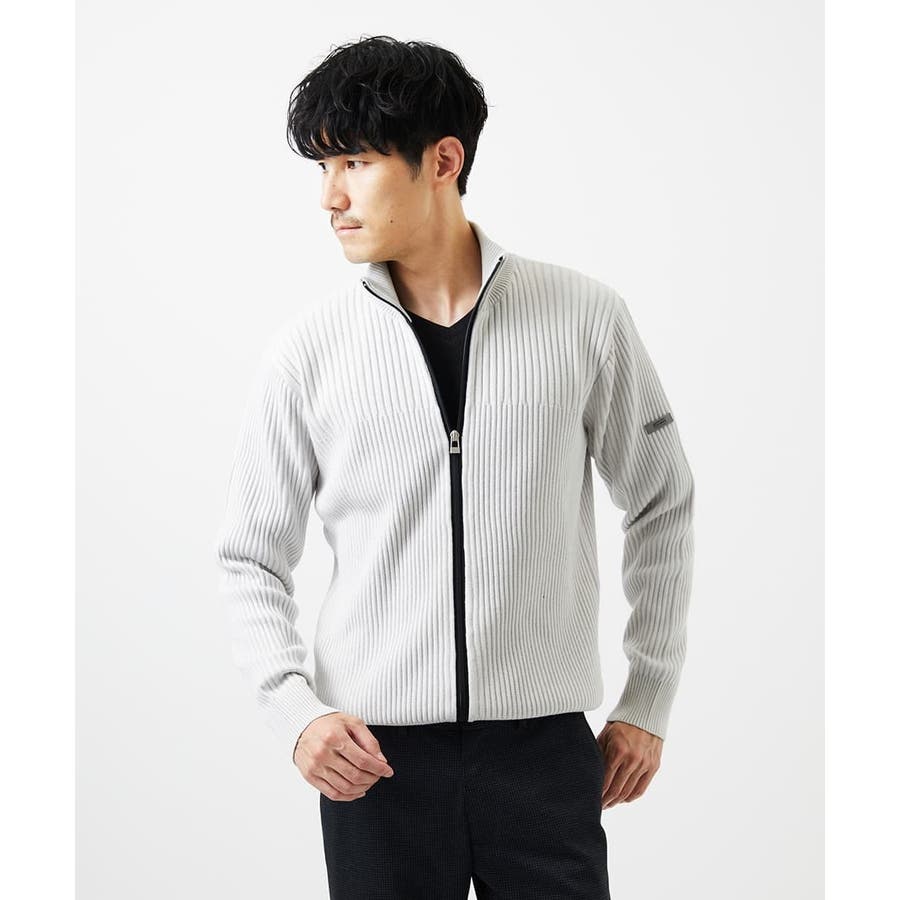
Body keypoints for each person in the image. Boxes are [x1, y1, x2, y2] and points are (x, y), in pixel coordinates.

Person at [215, 34, 695, 900]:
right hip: (375, 760)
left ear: (443, 160)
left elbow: (662, 501)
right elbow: (250, 556)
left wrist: (647, 698)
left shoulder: (585, 318)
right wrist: (296, 712)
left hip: (544, 752)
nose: (330, 196)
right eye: (324, 168)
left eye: (355, 162)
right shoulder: (307, 353)